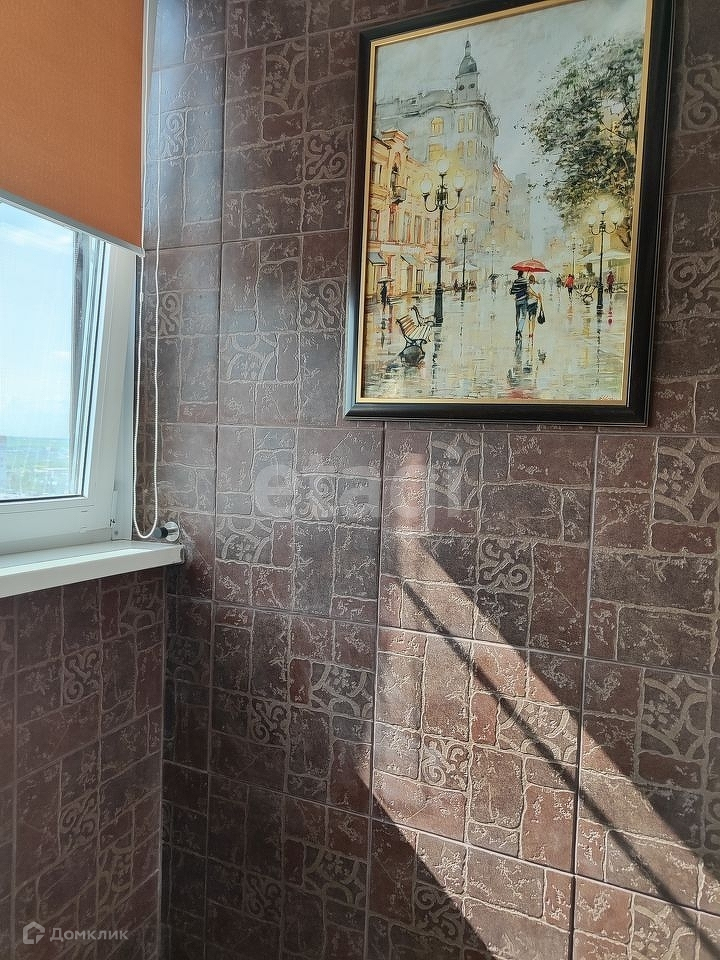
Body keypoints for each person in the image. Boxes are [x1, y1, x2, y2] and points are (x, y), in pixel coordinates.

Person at [509, 270, 529, 340]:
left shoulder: (515, 281)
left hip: (517, 301)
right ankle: (519, 330)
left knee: (517, 316)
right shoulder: (525, 281)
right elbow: (527, 291)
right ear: (522, 274)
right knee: (523, 316)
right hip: (524, 300)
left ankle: (517, 329)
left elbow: (512, 292)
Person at [527, 274, 543, 339]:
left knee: (529, 318)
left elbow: (527, 295)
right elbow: (539, 295)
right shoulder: (537, 286)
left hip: (529, 303)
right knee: (533, 318)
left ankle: (529, 332)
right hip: (534, 303)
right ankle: (532, 332)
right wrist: (541, 303)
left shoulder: (528, 287)